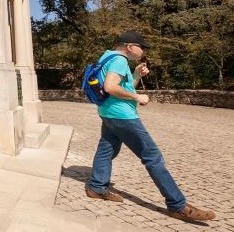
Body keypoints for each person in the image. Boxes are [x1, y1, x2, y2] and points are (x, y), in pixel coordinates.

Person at [85, 31, 215, 222]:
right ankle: (177, 205)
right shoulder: (120, 60)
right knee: (152, 156)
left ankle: (96, 187)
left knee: (106, 150)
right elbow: (110, 87)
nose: (143, 50)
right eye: (141, 47)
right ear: (130, 46)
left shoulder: (107, 56)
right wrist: (137, 97)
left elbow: (123, 87)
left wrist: (136, 75)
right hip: (123, 116)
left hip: (107, 112)